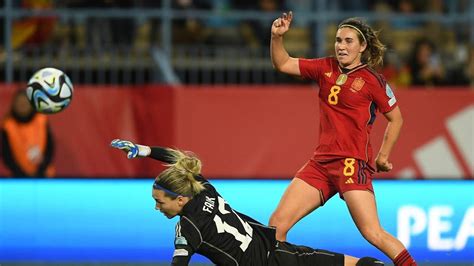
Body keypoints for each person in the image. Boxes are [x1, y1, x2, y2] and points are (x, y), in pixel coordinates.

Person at [268, 12, 416, 266]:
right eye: (338, 40)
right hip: (320, 165)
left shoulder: (373, 81)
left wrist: (382, 156)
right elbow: (283, 64)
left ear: (362, 47)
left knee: (373, 233)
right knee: (275, 228)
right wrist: (275, 38)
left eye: (348, 41)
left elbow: (397, 118)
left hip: (352, 164)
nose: (341, 46)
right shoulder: (325, 67)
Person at [110, 139, 384, 266]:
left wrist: (143, 151)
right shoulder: (203, 188)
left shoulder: (187, 228)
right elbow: (179, 160)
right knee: (350, 264)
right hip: (277, 251)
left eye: (159, 202)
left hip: (268, 262)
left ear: (180, 199)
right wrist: (144, 150)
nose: (157, 207)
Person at [1, 89, 55, 177]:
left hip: (44, 175)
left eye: (25, 103)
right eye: (19, 103)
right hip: (18, 177)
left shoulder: (42, 119)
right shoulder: (7, 125)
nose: (22, 106)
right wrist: (20, 174)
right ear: (14, 105)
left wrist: (42, 167)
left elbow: (50, 147)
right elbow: (6, 154)